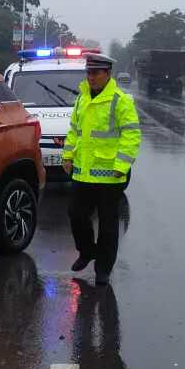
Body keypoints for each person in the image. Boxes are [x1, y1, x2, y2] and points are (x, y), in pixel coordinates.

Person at [61, 52, 141, 285]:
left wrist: (122, 165)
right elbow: (74, 131)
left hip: (111, 175)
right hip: (84, 172)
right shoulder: (82, 98)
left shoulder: (120, 100)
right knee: (76, 214)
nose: (91, 77)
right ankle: (87, 251)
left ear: (108, 74)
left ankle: (103, 268)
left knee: (108, 225)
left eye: (95, 73)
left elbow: (132, 134)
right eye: (88, 72)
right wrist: (67, 155)